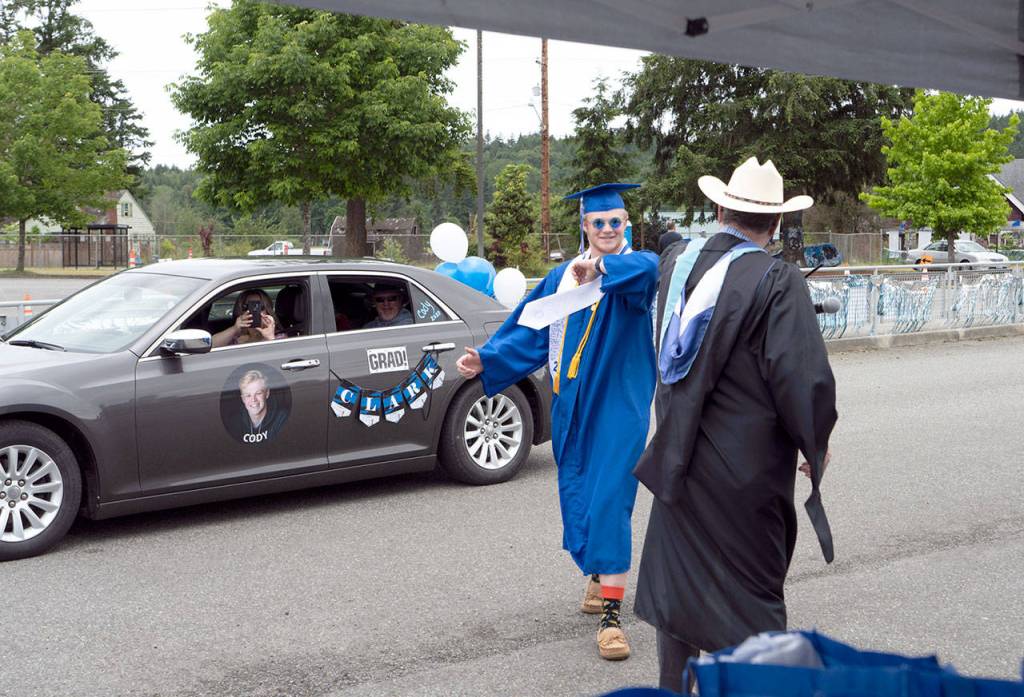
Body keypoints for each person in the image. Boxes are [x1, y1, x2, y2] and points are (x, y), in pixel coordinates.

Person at [632, 157, 838, 692]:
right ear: (775, 225)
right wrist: (814, 442)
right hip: (743, 478)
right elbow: (805, 382)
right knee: (749, 607)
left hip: (677, 460)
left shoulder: (676, 262)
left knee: (681, 598)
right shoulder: (776, 280)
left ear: (720, 207)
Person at [456, 183, 658, 661]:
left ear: (626, 224)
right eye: (599, 223)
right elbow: (529, 328)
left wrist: (601, 268)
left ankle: (612, 616)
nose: (608, 229)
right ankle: (598, 573)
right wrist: (488, 360)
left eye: (616, 222)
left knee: (610, 496)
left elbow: (648, 271)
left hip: (620, 405)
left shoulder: (631, 270)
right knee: (582, 493)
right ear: (584, 226)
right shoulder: (562, 278)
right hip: (571, 403)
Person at [212, 289, 284, 347]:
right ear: (241, 311)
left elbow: (280, 358)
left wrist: (270, 338)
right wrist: (234, 329)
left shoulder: (278, 336)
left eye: (259, 307)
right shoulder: (236, 335)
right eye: (247, 307)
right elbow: (209, 346)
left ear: (267, 311)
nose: (254, 312)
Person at [234, 369, 288, 443]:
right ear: (243, 399)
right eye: (248, 395)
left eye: (258, 393)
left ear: (267, 394)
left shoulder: (282, 419)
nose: (253, 399)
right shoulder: (235, 422)